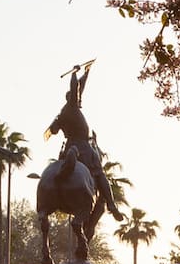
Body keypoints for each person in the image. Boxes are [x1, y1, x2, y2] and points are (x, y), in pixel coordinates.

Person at [47, 68, 123, 221]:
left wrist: (86, 74)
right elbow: (76, 87)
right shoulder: (73, 106)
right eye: (78, 98)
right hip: (83, 148)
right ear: (74, 98)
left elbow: (53, 131)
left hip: (68, 147)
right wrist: (74, 74)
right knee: (100, 174)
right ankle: (111, 204)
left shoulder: (61, 114)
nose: (80, 100)